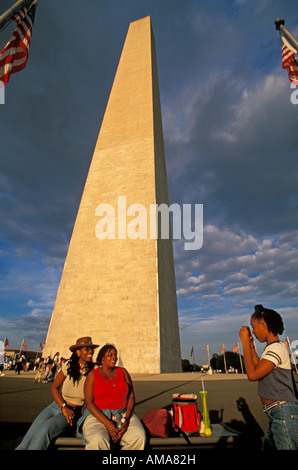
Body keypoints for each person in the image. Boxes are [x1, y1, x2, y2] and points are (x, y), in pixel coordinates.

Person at [16, 336, 99, 450]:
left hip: (72, 413)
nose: (91, 351)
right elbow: (54, 388)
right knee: (27, 440)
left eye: (91, 348)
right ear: (78, 352)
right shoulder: (69, 365)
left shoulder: (95, 370)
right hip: (57, 406)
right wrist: (63, 406)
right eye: (87, 349)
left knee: (45, 430)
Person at [239, 304, 298, 450]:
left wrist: (245, 343)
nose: (253, 331)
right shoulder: (271, 348)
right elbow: (258, 366)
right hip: (276, 413)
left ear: (264, 325)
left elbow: (252, 375)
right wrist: (252, 346)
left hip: (283, 411)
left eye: (254, 327)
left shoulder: (277, 348)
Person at [78, 343, 146, 450]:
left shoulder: (123, 372)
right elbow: (89, 403)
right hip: (98, 416)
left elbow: (131, 396)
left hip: (122, 415)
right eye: (110, 355)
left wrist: (127, 418)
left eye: (115, 354)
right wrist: (108, 423)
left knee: (139, 437)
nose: (114, 357)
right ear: (102, 358)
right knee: (98, 440)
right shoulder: (92, 375)